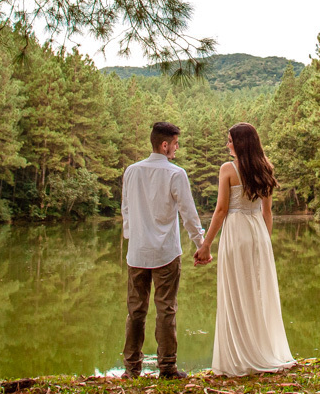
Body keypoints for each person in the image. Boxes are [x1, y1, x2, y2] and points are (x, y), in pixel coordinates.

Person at [195, 122, 295, 376]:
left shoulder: (228, 169)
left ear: (239, 143)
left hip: (236, 232)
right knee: (256, 291)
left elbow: (221, 210)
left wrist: (206, 245)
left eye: (229, 140)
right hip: (258, 233)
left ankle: (241, 356)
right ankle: (261, 350)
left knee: (236, 290)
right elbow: (267, 212)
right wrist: (265, 242)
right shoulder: (265, 167)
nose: (226, 144)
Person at [121, 121, 209, 379]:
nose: (177, 149)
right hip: (165, 254)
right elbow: (189, 214)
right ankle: (167, 368)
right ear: (164, 145)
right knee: (166, 309)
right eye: (175, 144)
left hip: (137, 253)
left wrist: (131, 236)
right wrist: (200, 245)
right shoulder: (175, 174)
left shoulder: (131, 171)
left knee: (135, 311)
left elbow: (125, 209)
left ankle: (131, 370)